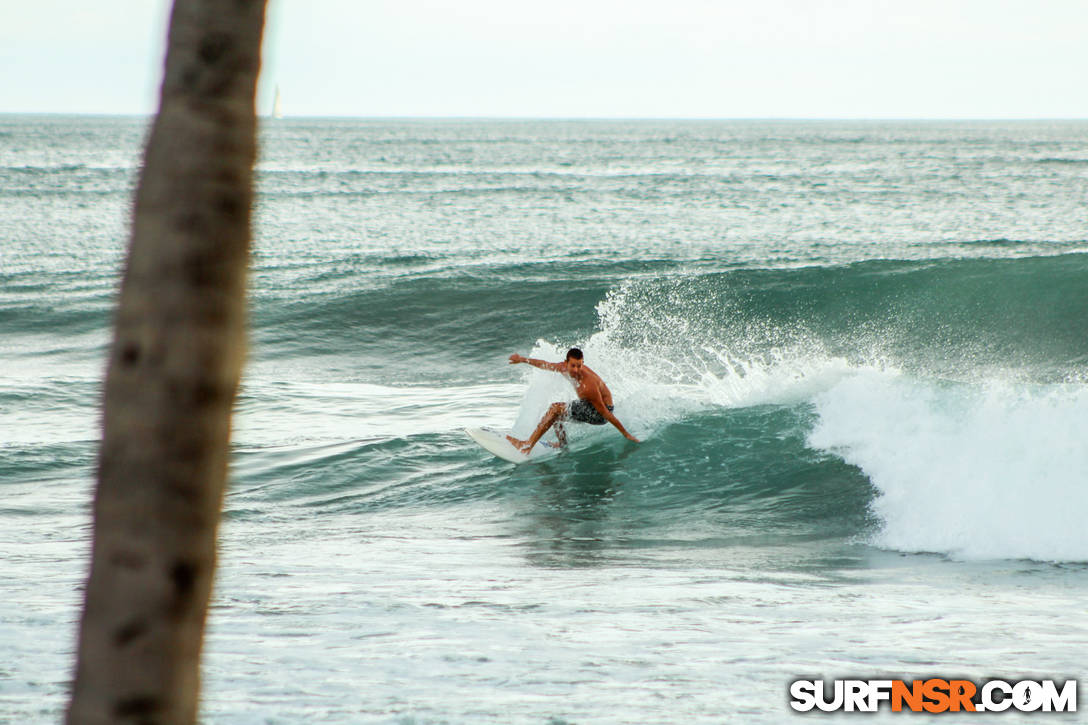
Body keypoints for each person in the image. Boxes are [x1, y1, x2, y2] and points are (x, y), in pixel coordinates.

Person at [506, 347, 640, 454]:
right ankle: (563, 446)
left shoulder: (588, 386)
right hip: (588, 405)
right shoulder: (562, 367)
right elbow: (545, 364)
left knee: (555, 408)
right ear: (566, 363)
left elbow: (605, 413)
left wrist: (626, 434)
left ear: (583, 364)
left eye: (579, 366)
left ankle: (527, 445)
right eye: (573, 366)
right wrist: (523, 359)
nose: (576, 370)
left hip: (600, 413)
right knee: (555, 414)